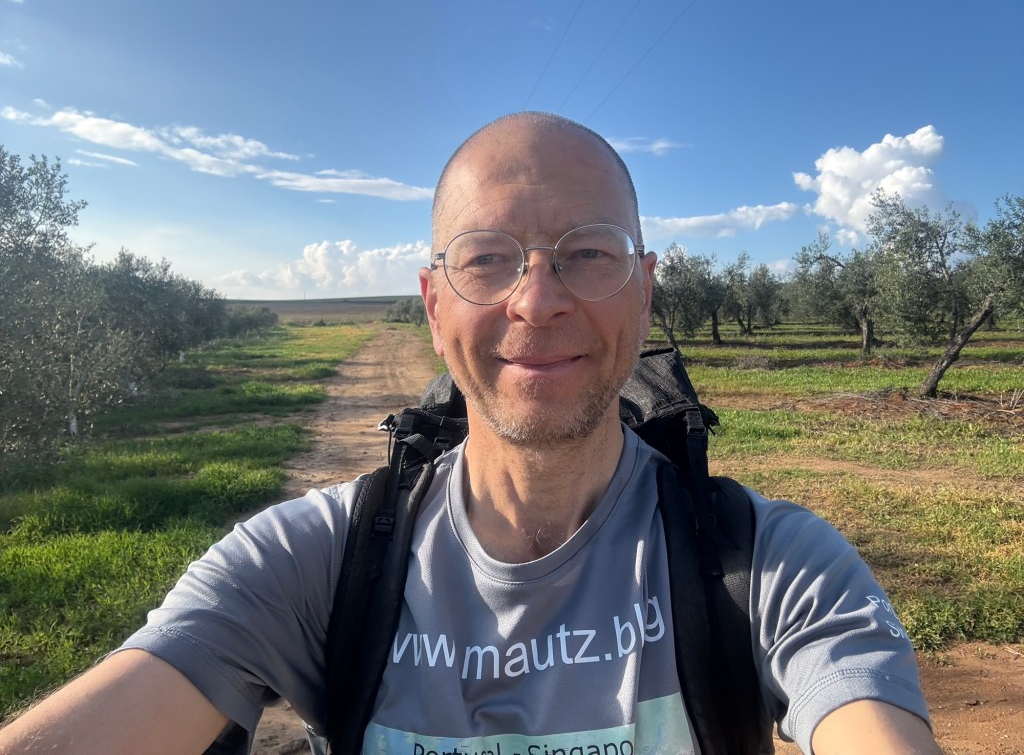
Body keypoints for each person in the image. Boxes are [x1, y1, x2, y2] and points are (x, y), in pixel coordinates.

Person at [0, 112, 941, 755]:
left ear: (645, 290)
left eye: (588, 253)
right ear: (432, 302)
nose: (537, 301)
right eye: (487, 260)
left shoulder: (771, 565)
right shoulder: (308, 562)